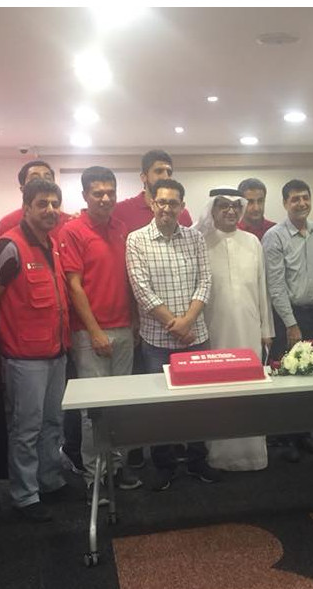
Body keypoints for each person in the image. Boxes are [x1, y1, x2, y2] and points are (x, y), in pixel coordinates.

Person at [0, 178, 73, 523]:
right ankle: (25, 495)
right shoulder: (8, 247)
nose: (50, 210)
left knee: (53, 422)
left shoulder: (52, 244)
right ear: (26, 207)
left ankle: (49, 480)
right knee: (26, 428)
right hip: (23, 358)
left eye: (54, 203)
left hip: (56, 353)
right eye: (42, 203)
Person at [126, 178, 221, 490]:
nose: (167, 208)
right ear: (152, 203)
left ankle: (197, 461)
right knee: (160, 407)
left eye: (173, 203)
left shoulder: (195, 238)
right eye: (162, 202)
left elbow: (205, 281)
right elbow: (142, 290)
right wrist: (175, 325)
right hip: (157, 341)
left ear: (182, 206)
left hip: (195, 336)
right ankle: (164, 465)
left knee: (199, 404)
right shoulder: (136, 240)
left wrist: (188, 321)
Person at [60, 166, 142, 493]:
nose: (106, 198)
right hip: (89, 333)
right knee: (94, 409)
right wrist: (94, 331)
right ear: (85, 196)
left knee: (120, 405)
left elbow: (128, 279)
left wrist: (134, 321)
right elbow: (74, 286)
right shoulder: (73, 231)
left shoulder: (121, 228)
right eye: (98, 193)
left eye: (110, 192)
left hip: (123, 329)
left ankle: (117, 468)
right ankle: (95, 476)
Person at [197, 186, 275, 470]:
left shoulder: (252, 242)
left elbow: (262, 288)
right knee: (218, 391)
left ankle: (253, 456)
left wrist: (266, 329)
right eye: (223, 206)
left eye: (235, 206)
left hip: (250, 330)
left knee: (249, 389)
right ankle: (219, 456)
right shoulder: (201, 242)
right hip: (214, 330)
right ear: (213, 209)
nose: (230, 211)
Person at [262, 179, 313, 462]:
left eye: (305, 197)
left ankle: (305, 433)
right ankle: (284, 437)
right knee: (286, 378)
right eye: (295, 199)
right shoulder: (274, 236)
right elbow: (275, 285)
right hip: (286, 318)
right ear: (285, 203)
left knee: (310, 375)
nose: (301, 203)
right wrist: (291, 324)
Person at [113, 149, 194, 232]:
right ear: (144, 177)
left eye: (169, 173)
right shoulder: (120, 211)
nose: (166, 177)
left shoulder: (182, 214)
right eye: (159, 171)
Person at [0, 160, 75, 238]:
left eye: (48, 179)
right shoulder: (8, 223)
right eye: (35, 179)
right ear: (23, 189)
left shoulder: (69, 222)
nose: (42, 182)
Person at [237, 177, 277, 241]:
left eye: (260, 201)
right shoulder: (233, 231)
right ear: (240, 203)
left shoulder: (275, 230)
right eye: (250, 202)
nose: (256, 208)